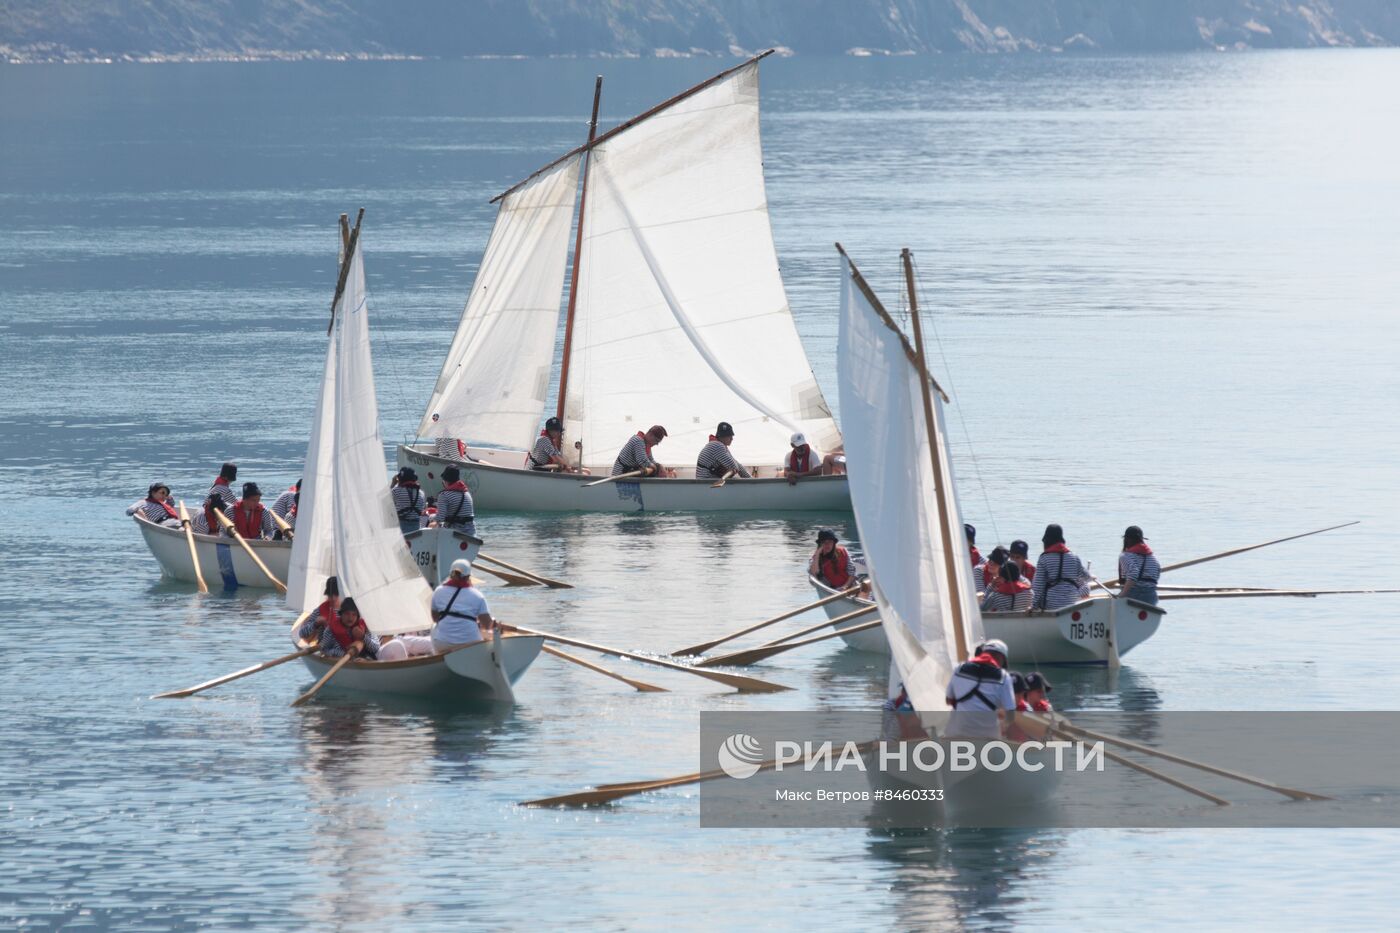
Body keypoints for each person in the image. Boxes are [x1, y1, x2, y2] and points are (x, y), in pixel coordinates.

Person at [945, 638, 1016, 738]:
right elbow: (1010, 716)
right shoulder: (1003, 677)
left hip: (958, 733)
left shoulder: (959, 668)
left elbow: (949, 700)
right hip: (986, 738)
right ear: (1001, 658)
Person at [430, 559, 494, 652]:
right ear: (468, 577)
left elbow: (435, 619)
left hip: (442, 644)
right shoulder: (477, 595)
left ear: (450, 574)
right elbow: (487, 625)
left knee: (433, 627)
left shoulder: (438, 591)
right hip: (470, 644)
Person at [1031, 524, 1091, 611]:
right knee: (1083, 584)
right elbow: (1087, 577)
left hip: (1051, 605)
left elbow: (1038, 586)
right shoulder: (1074, 557)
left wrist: (1033, 607)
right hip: (1071, 603)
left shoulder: (1044, 558)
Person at [314, 596, 381, 660]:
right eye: (347, 614)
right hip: (343, 661)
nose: (350, 618)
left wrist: (363, 637)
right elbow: (324, 649)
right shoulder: (330, 630)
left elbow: (376, 648)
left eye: (354, 614)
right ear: (341, 614)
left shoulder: (366, 626)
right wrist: (343, 654)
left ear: (358, 616)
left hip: (365, 660)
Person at [1117, 525, 1161, 605]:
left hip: (1133, 595)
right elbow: (1156, 574)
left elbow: (1133, 574)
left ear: (1127, 539)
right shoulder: (1153, 558)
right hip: (1151, 597)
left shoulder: (1125, 556)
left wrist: (1120, 596)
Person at [297, 577, 341, 645]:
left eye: (336, 595)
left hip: (346, 649)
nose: (333, 598)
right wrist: (315, 624)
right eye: (330, 595)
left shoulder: (351, 611)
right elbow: (302, 633)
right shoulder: (320, 611)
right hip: (325, 649)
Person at [435, 465, 476, 536]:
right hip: (471, 533)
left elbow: (440, 518)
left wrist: (431, 516)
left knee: (432, 523)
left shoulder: (444, 495)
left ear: (445, 480)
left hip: (454, 534)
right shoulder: (467, 493)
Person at [390, 466, 427, 535]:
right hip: (417, 529)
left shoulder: (396, 491)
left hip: (401, 529)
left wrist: (393, 484)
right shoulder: (421, 493)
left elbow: (387, 505)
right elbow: (422, 509)